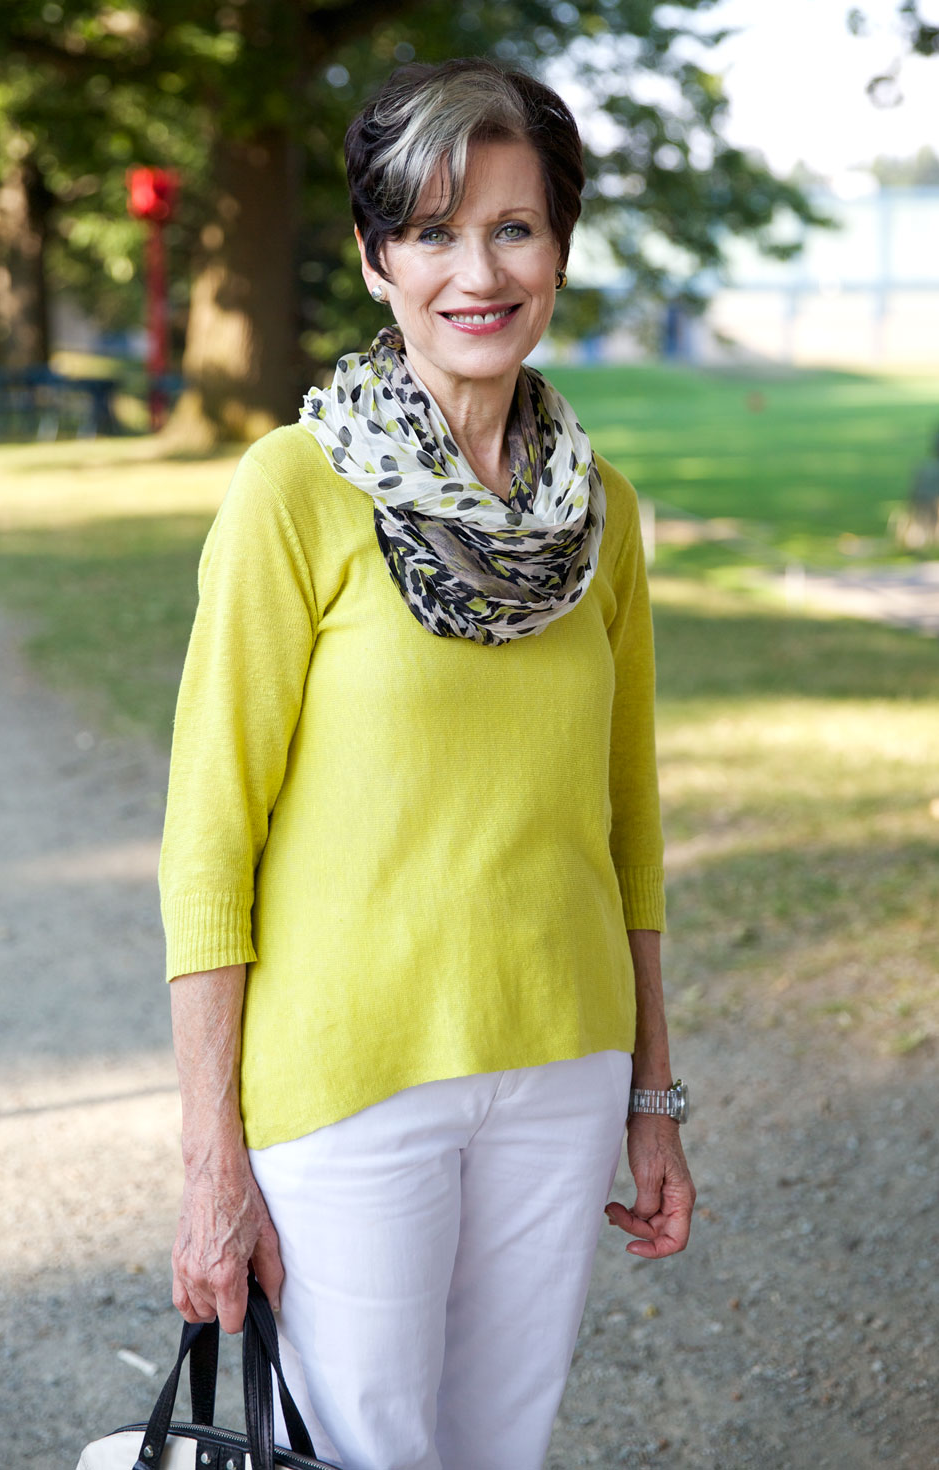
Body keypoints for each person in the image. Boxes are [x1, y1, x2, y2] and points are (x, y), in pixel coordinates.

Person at [159, 57, 695, 1470]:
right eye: (435, 231)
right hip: (351, 1082)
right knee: (361, 1451)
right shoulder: (293, 490)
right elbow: (210, 840)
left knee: (498, 1451)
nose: (480, 271)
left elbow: (628, 826)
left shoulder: (604, 514)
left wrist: (652, 1097)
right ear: (376, 257)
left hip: (565, 1065)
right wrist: (212, 1161)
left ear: (559, 251)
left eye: (515, 227)